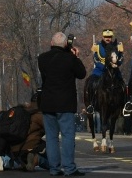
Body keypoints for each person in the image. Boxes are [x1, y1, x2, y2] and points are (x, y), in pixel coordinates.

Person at [38, 31, 86, 177]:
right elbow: (81, 74)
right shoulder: (70, 59)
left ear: (51, 43)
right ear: (66, 44)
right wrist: (75, 57)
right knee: (67, 136)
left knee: (51, 137)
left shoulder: (42, 59)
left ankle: (54, 168)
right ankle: (69, 168)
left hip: (48, 103)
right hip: (65, 103)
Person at [86, 29, 125, 114]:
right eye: (106, 37)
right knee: (91, 83)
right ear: (103, 37)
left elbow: (121, 57)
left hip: (114, 71)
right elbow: (96, 59)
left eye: (109, 37)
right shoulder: (98, 46)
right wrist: (104, 67)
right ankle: (91, 104)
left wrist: (117, 64)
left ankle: (125, 103)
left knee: (122, 84)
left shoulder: (117, 46)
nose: (108, 39)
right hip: (100, 71)